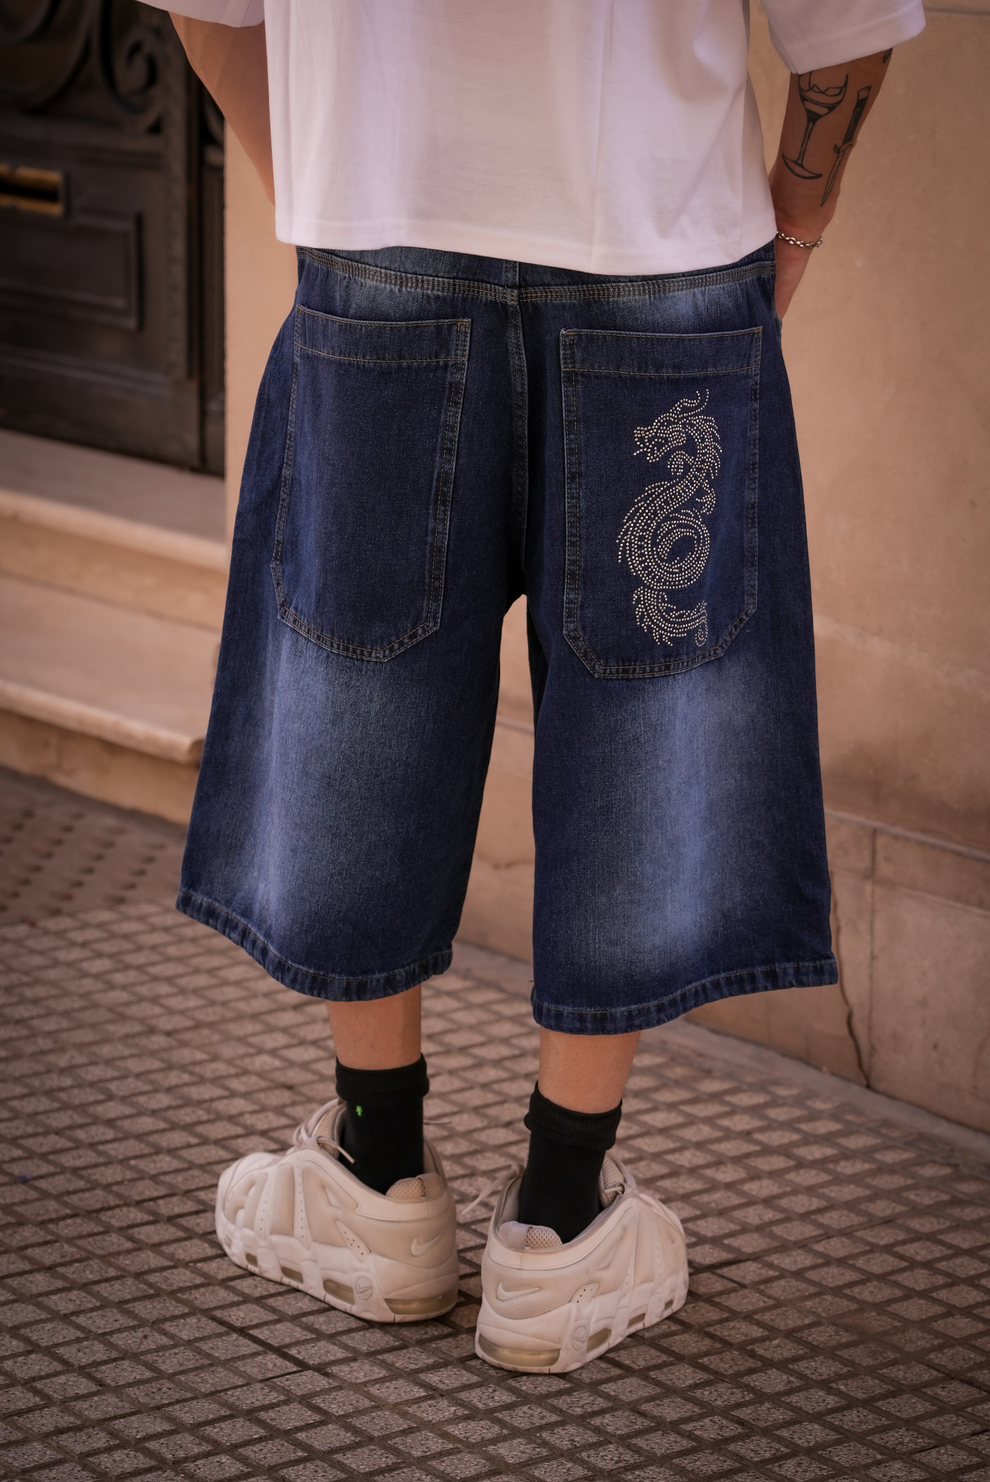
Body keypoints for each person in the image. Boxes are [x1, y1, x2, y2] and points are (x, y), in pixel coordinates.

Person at [161, 0, 924, 1375]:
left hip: (379, 245)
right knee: (644, 722)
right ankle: (560, 1220)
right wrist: (790, 237)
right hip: (662, 250)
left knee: (361, 692)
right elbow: (846, 31)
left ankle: (376, 1176)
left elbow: (208, 13)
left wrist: (332, 185)